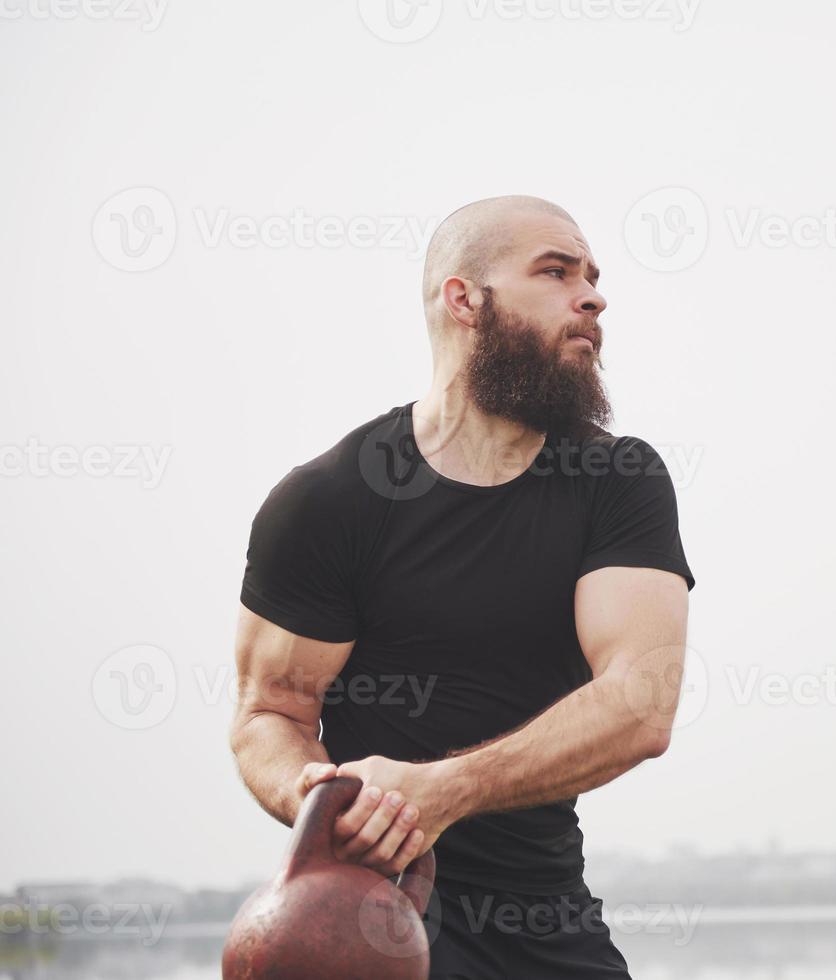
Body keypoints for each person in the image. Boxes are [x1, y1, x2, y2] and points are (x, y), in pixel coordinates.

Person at [226, 195, 695, 978]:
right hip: (370, 927)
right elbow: (269, 712)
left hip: (550, 923)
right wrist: (321, 798)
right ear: (463, 298)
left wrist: (438, 791)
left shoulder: (616, 479)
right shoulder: (329, 499)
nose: (593, 296)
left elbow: (642, 704)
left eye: (593, 277)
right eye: (556, 271)